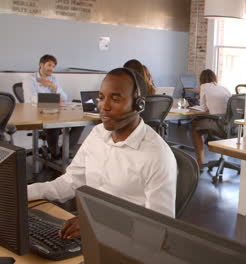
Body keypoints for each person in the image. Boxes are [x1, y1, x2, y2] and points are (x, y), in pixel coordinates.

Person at [27, 68, 177, 239]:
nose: (103, 106)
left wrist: (97, 222)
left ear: (139, 104)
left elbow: (159, 228)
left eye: (115, 99)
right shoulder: (98, 134)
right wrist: (22, 193)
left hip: (127, 242)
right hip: (90, 232)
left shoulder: (157, 156)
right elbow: (70, 182)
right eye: (101, 97)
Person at [22, 54, 84, 159]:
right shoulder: (29, 80)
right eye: (49, 65)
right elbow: (30, 99)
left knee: (81, 122)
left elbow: (64, 98)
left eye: (53, 66)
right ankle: (55, 153)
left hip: (55, 111)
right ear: (41, 64)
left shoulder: (53, 79)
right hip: (36, 113)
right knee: (54, 126)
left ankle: (65, 151)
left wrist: (53, 86)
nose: (52, 68)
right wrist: (55, 99)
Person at [191, 69, 231, 165]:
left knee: (195, 126)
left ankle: (200, 160)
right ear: (214, 77)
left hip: (218, 123)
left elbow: (203, 108)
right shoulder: (224, 88)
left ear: (201, 79)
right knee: (201, 123)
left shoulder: (203, 86)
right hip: (229, 125)